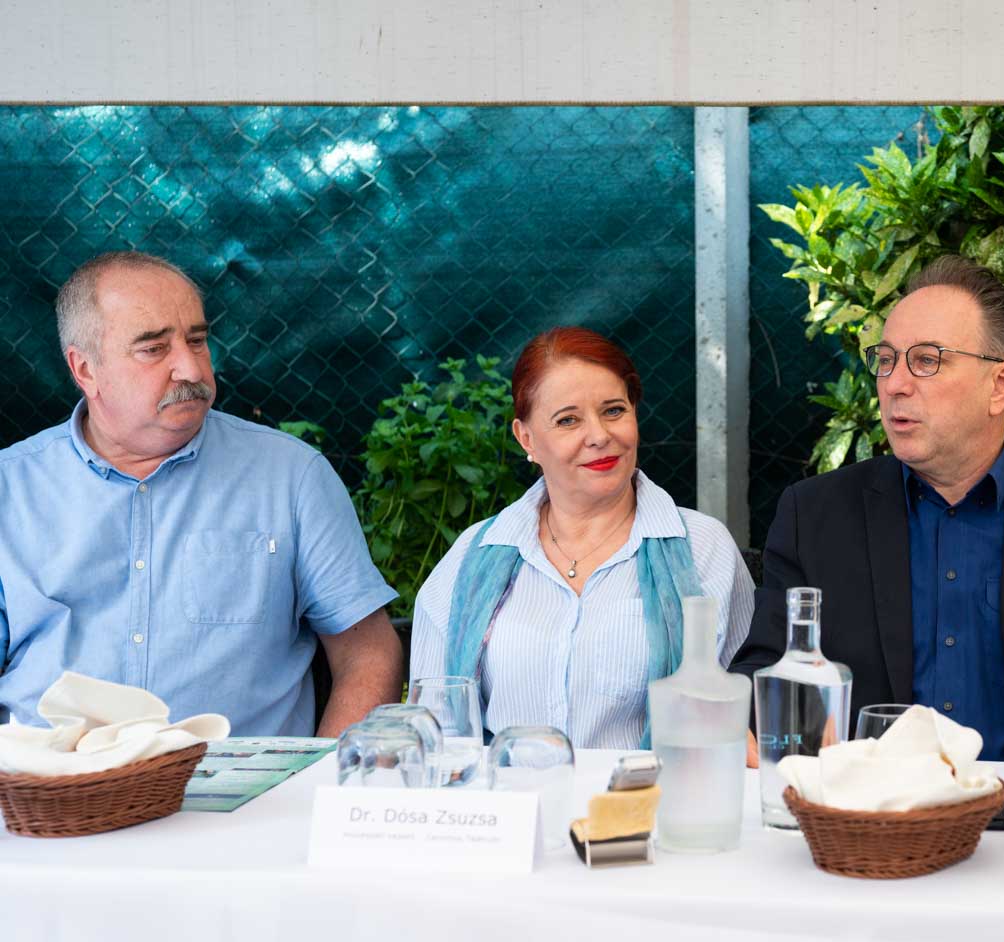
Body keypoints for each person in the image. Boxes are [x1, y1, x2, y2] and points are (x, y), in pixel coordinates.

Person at [731, 255, 1004, 760]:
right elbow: (764, 669)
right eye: (886, 360)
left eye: (926, 361)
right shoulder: (814, 515)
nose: (894, 384)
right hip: (873, 798)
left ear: (1000, 385)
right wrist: (744, 722)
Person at [0, 250, 402, 737]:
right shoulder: (10, 489)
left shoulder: (290, 477)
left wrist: (324, 774)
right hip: (49, 781)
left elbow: (367, 653)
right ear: (85, 369)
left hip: (240, 783)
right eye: (154, 348)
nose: (191, 369)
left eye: (197, 340)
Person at [409, 326, 755, 747]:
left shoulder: (702, 548)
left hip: (655, 787)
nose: (599, 435)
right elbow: (434, 727)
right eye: (568, 420)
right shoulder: (473, 555)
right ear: (526, 438)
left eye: (614, 411)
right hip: (509, 787)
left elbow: (743, 717)